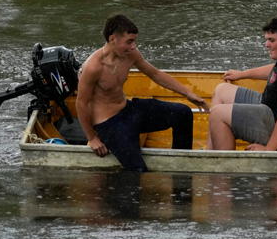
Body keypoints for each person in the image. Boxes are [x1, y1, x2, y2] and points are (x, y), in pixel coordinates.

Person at [76, 14, 210, 172]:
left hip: (129, 110)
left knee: (183, 113)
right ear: (112, 39)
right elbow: (81, 103)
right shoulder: (93, 67)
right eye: (129, 41)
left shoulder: (129, 54)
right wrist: (92, 138)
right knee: (138, 169)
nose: (133, 46)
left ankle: (181, 168)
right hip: (109, 124)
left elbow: (155, 74)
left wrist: (188, 94)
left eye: (134, 41)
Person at [207, 15, 277, 151]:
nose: (267, 44)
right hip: (269, 106)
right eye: (267, 39)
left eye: (271, 40)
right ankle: (209, 153)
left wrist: (268, 150)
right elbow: (276, 71)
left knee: (217, 114)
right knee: (221, 90)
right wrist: (242, 74)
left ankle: (224, 163)